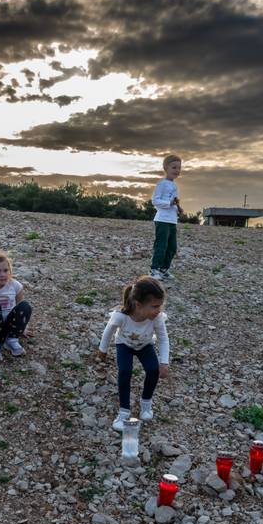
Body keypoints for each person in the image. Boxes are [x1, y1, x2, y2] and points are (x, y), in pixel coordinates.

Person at [98, 276, 169, 431]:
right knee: (125, 371)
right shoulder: (121, 316)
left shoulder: (156, 318)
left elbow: (163, 338)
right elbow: (108, 331)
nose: (159, 310)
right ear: (138, 304)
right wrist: (102, 350)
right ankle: (124, 411)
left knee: (153, 369)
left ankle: (146, 403)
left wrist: (164, 362)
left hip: (145, 345)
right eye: (155, 306)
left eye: (160, 306)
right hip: (124, 344)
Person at [150, 153, 182, 281]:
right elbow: (155, 201)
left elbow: (173, 201)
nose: (177, 170)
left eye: (179, 168)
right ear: (165, 168)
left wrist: (178, 208)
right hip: (162, 219)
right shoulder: (161, 184)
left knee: (172, 247)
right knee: (161, 245)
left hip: (172, 220)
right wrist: (169, 203)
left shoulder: (174, 185)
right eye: (174, 167)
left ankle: (164, 270)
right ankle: (154, 270)